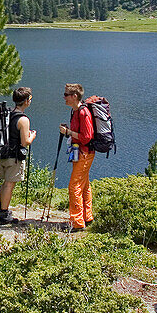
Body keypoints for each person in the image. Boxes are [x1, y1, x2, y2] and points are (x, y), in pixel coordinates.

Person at [0, 86, 36, 225]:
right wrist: (32, 136)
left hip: (2, 154)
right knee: (9, 184)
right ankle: (4, 214)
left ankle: (1, 209)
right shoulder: (23, 120)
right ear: (26, 101)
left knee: (5, 183)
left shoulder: (8, 114)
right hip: (14, 157)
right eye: (30, 98)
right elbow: (25, 142)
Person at [60, 83, 94, 231]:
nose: (64, 97)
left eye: (66, 94)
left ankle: (77, 223)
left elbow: (87, 137)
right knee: (84, 184)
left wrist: (68, 132)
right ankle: (87, 216)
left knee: (74, 186)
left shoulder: (82, 113)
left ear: (74, 96)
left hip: (84, 153)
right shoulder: (75, 112)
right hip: (79, 152)